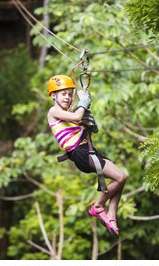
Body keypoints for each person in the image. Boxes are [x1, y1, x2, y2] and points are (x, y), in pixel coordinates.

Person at [47, 74, 126, 236]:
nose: (68, 97)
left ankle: (111, 214)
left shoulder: (68, 116)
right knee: (120, 177)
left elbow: (80, 120)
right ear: (53, 95)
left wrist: (88, 123)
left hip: (88, 151)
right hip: (80, 153)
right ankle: (97, 206)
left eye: (70, 94)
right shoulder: (53, 111)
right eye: (63, 94)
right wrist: (83, 104)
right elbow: (77, 116)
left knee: (120, 178)